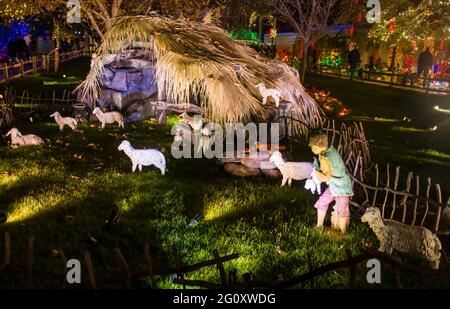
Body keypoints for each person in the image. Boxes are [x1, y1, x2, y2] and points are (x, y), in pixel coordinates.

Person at [309, 134, 354, 234]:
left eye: (313, 147)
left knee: (342, 208)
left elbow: (326, 177)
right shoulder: (329, 151)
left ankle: (343, 231)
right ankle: (319, 225)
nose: (312, 149)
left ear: (319, 146)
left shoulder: (325, 157)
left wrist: (315, 172)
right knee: (323, 202)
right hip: (334, 185)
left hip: (342, 187)